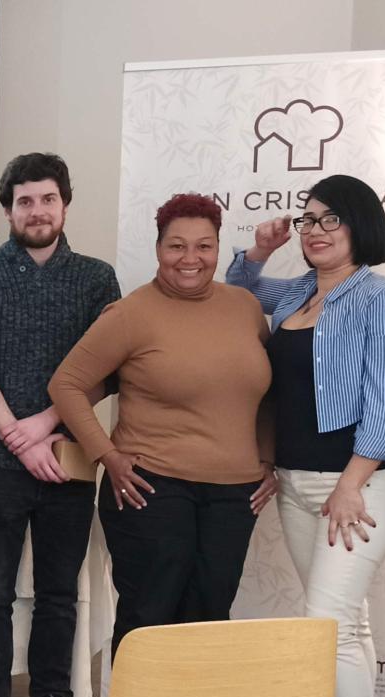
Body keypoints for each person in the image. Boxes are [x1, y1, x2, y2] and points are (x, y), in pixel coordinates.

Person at [227, 175, 385, 697]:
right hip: (296, 482)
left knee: (325, 630)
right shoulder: (297, 293)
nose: (314, 229)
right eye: (307, 218)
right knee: (347, 629)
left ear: (361, 226)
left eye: (330, 219)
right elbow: (237, 293)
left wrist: (349, 483)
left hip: (357, 490)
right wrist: (258, 249)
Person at [0, 153, 122, 697]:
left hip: (68, 457)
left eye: (47, 199)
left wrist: (44, 427)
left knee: (58, 596)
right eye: (24, 201)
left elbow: (105, 369)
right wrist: (16, 438)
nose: (37, 211)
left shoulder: (98, 279)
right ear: (8, 210)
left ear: (65, 203)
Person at [48, 194, 275, 656]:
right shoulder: (132, 313)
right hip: (151, 489)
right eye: (176, 246)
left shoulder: (244, 307)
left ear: (217, 249)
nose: (190, 259)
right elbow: (66, 384)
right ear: (158, 250)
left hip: (235, 495)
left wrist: (268, 457)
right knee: (150, 619)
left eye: (204, 246)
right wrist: (106, 455)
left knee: (209, 620)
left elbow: (266, 389)